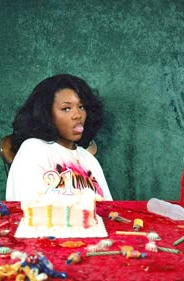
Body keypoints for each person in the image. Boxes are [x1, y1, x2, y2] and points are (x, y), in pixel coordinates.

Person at [6, 74, 112, 202]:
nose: (77, 115)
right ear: (46, 114)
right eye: (66, 108)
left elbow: (109, 209)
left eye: (81, 107)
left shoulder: (89, 160)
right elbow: (32, 208)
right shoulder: (33, 150)